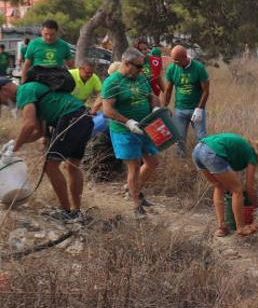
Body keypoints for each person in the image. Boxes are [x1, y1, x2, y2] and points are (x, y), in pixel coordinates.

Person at [5, 78, 93, 222]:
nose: (3, 103)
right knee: (72, 166)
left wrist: (14, 149)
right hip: (83, 117)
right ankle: (76, 212)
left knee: (50, 166)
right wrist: (14, 142)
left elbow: (29, 124)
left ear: (5, 89)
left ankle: (65, 211)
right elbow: (38, 131)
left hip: (70, 118)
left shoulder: (24, 91)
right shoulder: (34, 90)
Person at [100, 48, 160, 218]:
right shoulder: (112, 82)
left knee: (153, 162)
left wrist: (155, 107)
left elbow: (152, 95)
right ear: (127, 63)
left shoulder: (140, 78)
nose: (142, 70)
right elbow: (107, 110)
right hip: (124, 131)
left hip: (145, 127)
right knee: (133, 166)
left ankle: (133, 189)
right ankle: (136, 205)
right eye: (139, 66)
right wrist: (127, 122)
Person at [192, 133, 258, 237]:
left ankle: (222, 228)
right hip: (211, 152)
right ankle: (241, 228)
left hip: (198, 150)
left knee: (219, 186)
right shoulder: (253, 154)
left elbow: (229, 172)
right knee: (238, 190)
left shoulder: (245, 147)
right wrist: (257, 207)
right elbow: (249, 188)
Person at [163, 45, 209, 153]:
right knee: (179, 139)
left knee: (201, 138)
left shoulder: (199, 68)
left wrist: (199, 109)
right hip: (180, 109)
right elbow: (168, 89)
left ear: (185, 57)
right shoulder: (172, 69)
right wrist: (164, 106)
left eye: (177, 61)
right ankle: (181, 160)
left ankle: (203, 160)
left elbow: (206, 91)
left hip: (196, 109)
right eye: (173, 60)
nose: (175, 63)